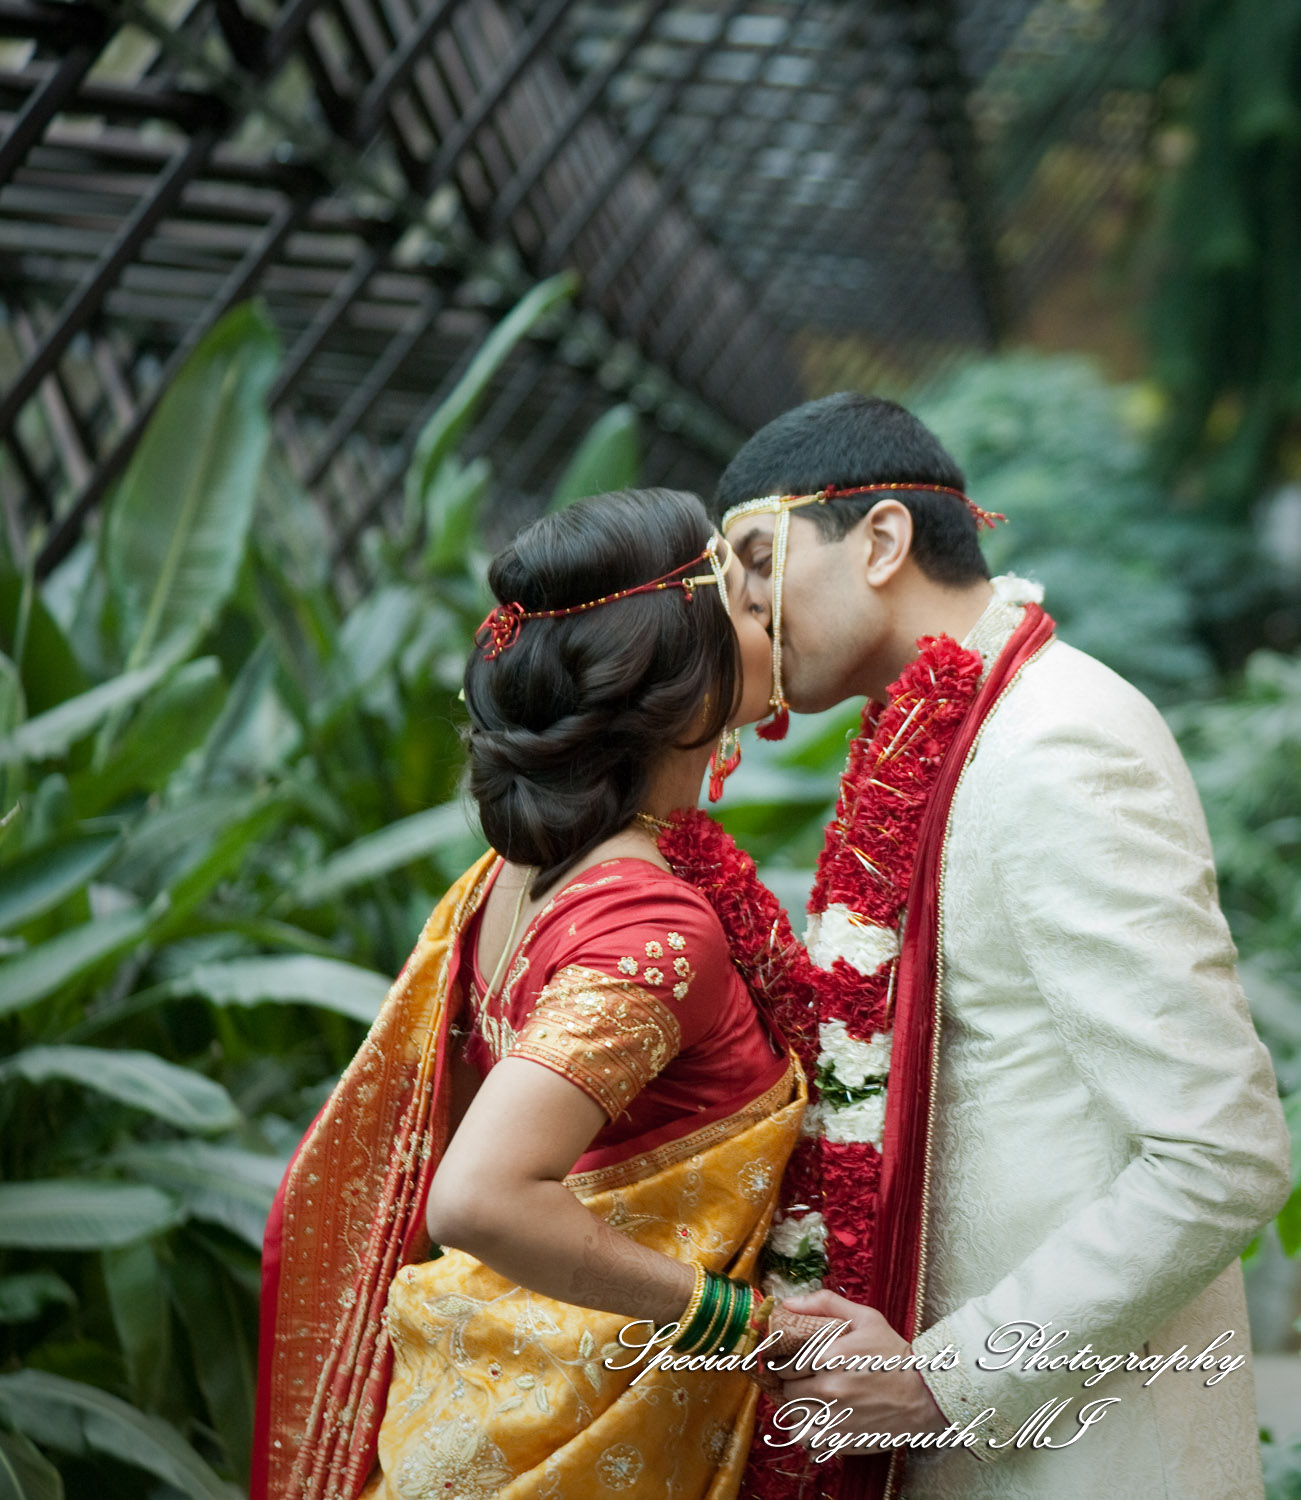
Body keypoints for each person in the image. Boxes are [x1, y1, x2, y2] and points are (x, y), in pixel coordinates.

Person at [714, 392, 1293, 1500]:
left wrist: (950, 1381)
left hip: (1083, 1453)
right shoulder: (938, 739)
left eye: (754, 557)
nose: (740, 604)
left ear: (879, 540)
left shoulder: (1052, 743)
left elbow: (1222, 1150)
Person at [252, 488, 808, 1500]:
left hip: (489, 1395)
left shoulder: (522, 873)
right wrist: (738, 1324)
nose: (768, 611)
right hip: (571, 1435)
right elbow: (479, 1195)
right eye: (738, 594)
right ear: (681, 691)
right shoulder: (650, 927)